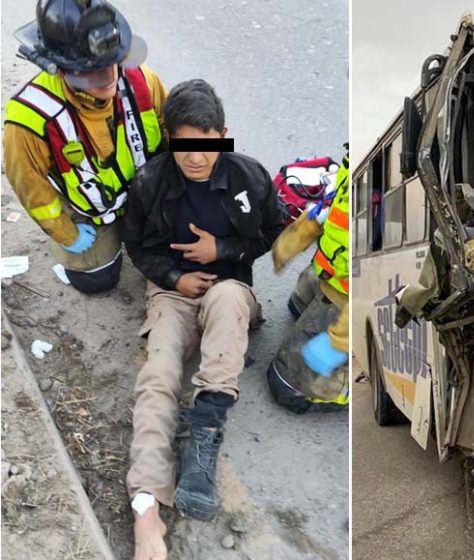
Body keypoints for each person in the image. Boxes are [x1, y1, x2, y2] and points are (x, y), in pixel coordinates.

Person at [120, 80, 283, 560]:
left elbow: (273, 231)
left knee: (230, 298)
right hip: (171, 293)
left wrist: (223, 250)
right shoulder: (150, 183)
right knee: (158, 375)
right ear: (170, 138)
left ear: (223, 136)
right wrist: (174, 276)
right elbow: (136, 246)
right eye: (184, 145)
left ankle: (203, 441)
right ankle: (146, 508)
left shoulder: (248, 176)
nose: (195, 158)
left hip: (228, 290)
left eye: (206, 145)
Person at [3, 0, 165, 293]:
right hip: (91, 210)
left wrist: (215, 154)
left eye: (110, 63)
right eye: (89, 72)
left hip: (147, 193)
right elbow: (32, 189)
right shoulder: (28, 120)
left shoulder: (141, 79)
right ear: (59, 68)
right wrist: (67, 233)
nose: (108, 79)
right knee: (97, 281)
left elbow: (174, 127)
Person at [266, 146, 351, 413]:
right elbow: (338, 203)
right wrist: (307, 226)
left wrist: (341, 340)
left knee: (285, 384)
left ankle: (344, 389)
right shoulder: (360, 158)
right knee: (298, 305)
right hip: (330, 273)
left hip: (349, 296)